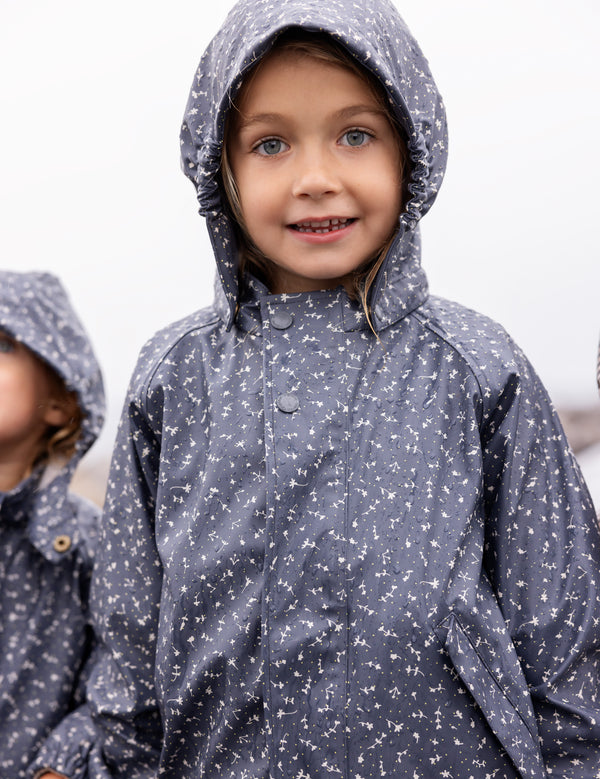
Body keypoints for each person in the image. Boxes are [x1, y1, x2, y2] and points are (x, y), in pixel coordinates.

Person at [36, 0, 600, 776]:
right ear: (220, 171)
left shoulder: (477, 364)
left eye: (356, 135)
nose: (315, 178)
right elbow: (132, 631)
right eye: (270, 143)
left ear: (413, 148)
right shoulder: (174, 376)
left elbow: (565, 632)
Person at [0, 271, 104, 779]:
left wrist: (62, 768)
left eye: (1, 344)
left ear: (62, 402)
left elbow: (123, 674)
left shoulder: (88, 543)